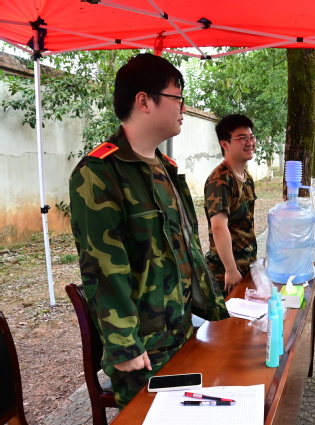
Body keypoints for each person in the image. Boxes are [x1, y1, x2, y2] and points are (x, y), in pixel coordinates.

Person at [69, 53, 229, 408]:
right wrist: (124, 345)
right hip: (143, 347)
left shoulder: (166, 168)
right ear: (144, 101)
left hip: (181, 329)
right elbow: (103, 269)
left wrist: (211, 306)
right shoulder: (99, 173)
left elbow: (185, 247)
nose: (183, 108)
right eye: (177, 98)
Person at [204, 114, 258, 294]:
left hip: (246, 265)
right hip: (225, 274)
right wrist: (231, 269)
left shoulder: (246, 177)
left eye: (251, 137)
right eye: (242, 138)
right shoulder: (220, 180)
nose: (250, 142)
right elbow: (218, 227)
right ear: (225, 144)